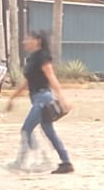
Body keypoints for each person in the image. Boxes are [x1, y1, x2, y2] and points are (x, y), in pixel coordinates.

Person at [6, 31, 73, 174]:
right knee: (49, 132)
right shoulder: (32, 59)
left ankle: (25, 162)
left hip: (43, 99)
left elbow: (51, 76)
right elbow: (28, 82)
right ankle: (66, 162)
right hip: (37, 97)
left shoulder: (42, 57)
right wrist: (13, 97)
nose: (25, 42)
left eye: (28, 39)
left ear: (37, 41)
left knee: (26, 130)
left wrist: (62, 97)